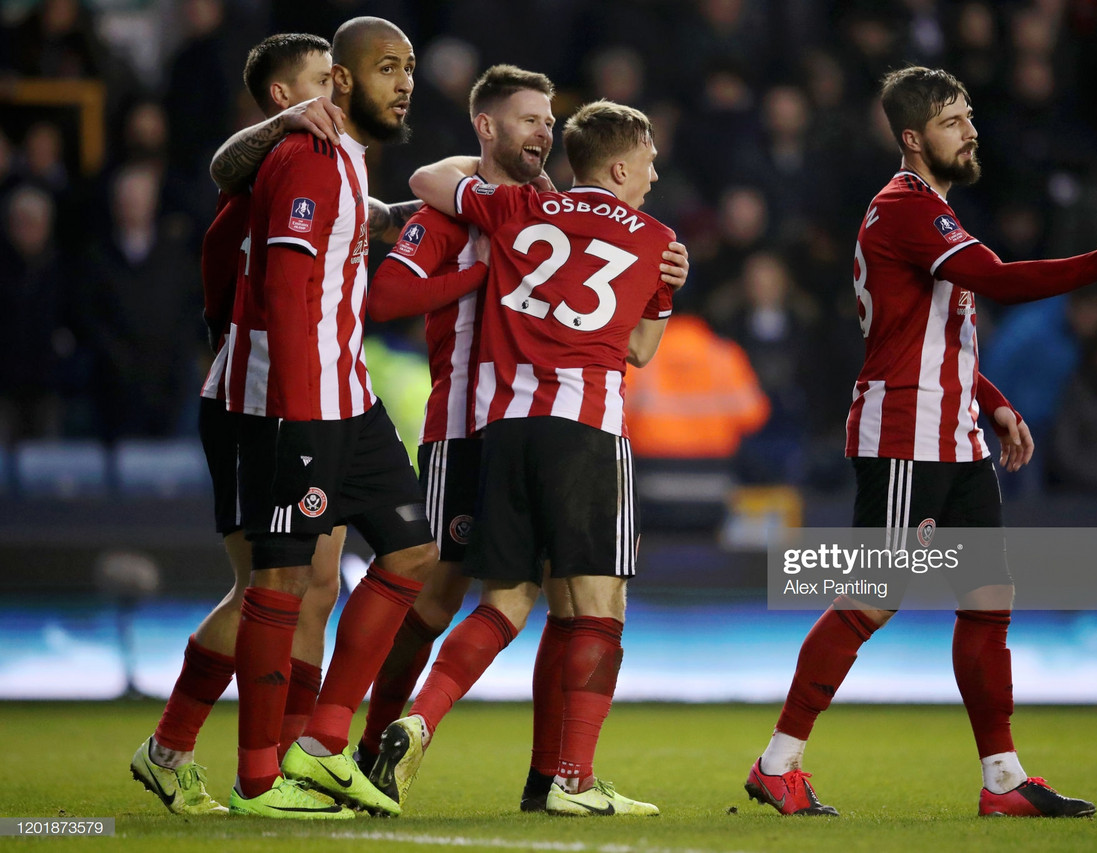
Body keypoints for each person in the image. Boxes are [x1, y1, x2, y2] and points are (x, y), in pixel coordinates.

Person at [745, 66, 1097, 819]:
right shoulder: (904, 209)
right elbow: (999, 281)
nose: (970, 129)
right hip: (905, 434)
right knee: (872, 598)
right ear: (913, 139)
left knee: (988, 601)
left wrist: (995, 401)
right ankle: (777, 763)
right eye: (952, 120)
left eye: (970, 114)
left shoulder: (937, 214)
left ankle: (1003, 779)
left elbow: (941, 333)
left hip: (956, 435)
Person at [354, 65, 688, 813]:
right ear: (622, 165)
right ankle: (570, 776)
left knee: (509, 599)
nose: (657, 174)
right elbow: (639, 349)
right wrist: (671, 285)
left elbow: (432, 179)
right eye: (650, 162)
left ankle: (420, 726)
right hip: (585, 428)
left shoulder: (515, 213)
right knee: (597, 608)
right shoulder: (659, 239)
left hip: (505, 425)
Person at [129, 32, 350, 817]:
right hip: (252, 395)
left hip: (307, 393)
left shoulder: (328, 167)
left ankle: (292, 759)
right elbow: (227, 160)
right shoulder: (268, 168)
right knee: (269, 584)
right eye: (325, 79)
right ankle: (170, 746)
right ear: (286, 100)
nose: (341, 89)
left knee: (321, 580)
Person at [222, 16, 436, 819]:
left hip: (353, 401)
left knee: (413, 551)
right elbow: (284, 289)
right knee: (279, 580)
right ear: (341, 81)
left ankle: (318, 746)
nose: (404, 82)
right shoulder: (309, 156)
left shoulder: (345, 159)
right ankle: (254, 781)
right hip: (306, 406)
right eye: (388, 68)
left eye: (410, 67)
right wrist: (303, 412)